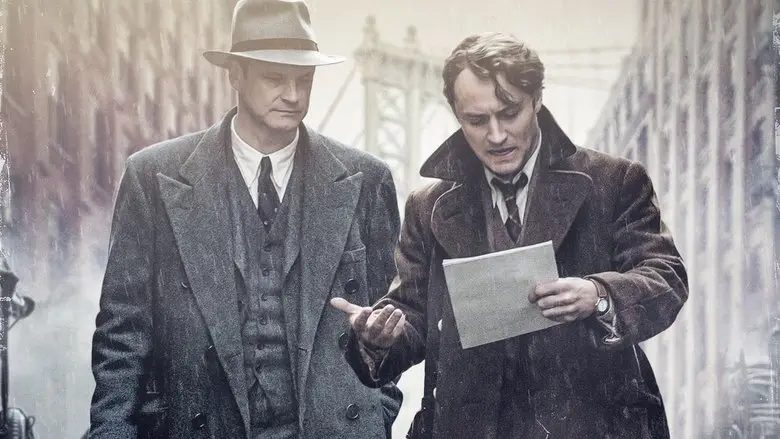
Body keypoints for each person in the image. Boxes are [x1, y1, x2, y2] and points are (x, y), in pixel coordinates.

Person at [332, 32, 688, 439]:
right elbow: (411, 316)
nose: (497, 135)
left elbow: (668, 278)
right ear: (456, 114)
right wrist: (377, 338)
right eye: (476, 120)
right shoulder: (426, 206)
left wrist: (599, 296)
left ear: (537, 100)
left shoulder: (615, 180)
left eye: (510, 113)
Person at [88, 1, 402, 438]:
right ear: (235, 74)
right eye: (275, 78)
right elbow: (122, 335)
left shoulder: (367, 180)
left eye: (304, 79)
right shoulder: (153, 177)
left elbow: (390, 326)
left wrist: (374, 418)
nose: (293, 95)